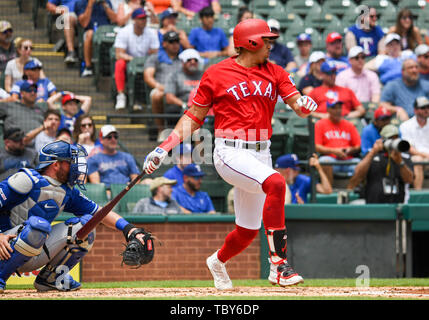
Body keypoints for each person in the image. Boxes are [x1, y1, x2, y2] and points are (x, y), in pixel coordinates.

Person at [142, 18, 318, 289]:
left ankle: (217, 261)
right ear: (251, 42)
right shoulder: (216, 73)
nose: (271, 45)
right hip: (230, 151)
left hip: (262, 152)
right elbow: (194, 116)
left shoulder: (276, 72)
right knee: (276, 182)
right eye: (266, 40)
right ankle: (279, 265)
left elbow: (296, 104)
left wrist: (305, 105)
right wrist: (163, 147)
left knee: (248, 232)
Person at [0, 140, 148, 292]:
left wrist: (130, 229)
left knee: (87, 226)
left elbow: (100, 213)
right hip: (4, 247)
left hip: (33, 249)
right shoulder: (25, 180)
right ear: (55, 164)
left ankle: (51, 278)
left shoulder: (67, 191)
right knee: (38, 226)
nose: (76, 166)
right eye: (70, 162)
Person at [347, 124, 414, 203]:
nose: (392, 142)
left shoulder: (403, 157)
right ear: (382, 140)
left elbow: (409, 180)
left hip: (397, 205)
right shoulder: (372, 156)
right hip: (374, 205)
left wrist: (400, 162)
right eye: (390, 139)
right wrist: (372, 152)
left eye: (395, 139)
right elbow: (355, 178)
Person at [113, 8, 159, 110]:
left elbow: (155, 52)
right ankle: (121, 95)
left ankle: (149, 98)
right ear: (134, 19)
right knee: (119, 63)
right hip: (129, 60)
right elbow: (119, 54)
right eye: (140, 18)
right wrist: (133, 60)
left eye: (145, 18)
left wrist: (143, 60)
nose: (143, 21)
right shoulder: (124, 31)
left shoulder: (151, 32)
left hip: (146, 61)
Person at [143, 31, 182, 135]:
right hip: (162, 88)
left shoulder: (183, 58)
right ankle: (161, 131)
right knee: (156, 95)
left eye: (177, 41)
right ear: (164, 43)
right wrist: (161, 87)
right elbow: (148, 77)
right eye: (171, 42)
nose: (175, 45)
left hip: (181, 90)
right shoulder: (155, 57)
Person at [315, 101, 362, 185]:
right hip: (331, 160)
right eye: (334, 108)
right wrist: (334, 151)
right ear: (328, 110)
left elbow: (357, 146)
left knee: (362, 164)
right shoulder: (320, 124)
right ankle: (329, 191)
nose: (337, 110)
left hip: (348, 160)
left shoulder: (349, 125)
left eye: (339, 108)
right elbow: (317, 146)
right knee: (324, 161)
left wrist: (349, 150)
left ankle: (350, 191)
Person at [75, 0, 117, 77]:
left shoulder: (106, 2)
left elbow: (115, 19)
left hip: (106, 32)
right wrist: (90, 4)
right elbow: (84, 23)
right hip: (90, 31)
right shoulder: (80, 3)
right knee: (89, 34)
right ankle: (88, 67)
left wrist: (105, 5)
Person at [399, 96, 429, 190]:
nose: (426, 110)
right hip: (414, 156)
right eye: (423, 108)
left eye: (428, 107)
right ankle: (418, 194)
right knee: (417, 159)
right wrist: (426, 155)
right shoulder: (406, 125)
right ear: (415, 110)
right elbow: (409, 148)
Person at [164, 48, 204, 118]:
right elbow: (169, 98)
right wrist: (184, 105)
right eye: (189, 60)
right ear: (183, 62)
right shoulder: (174, 76)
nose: (193, 62)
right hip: (181, 106)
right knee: (172, 109)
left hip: (202, 106)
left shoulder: (204, 75)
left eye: (196, 60)